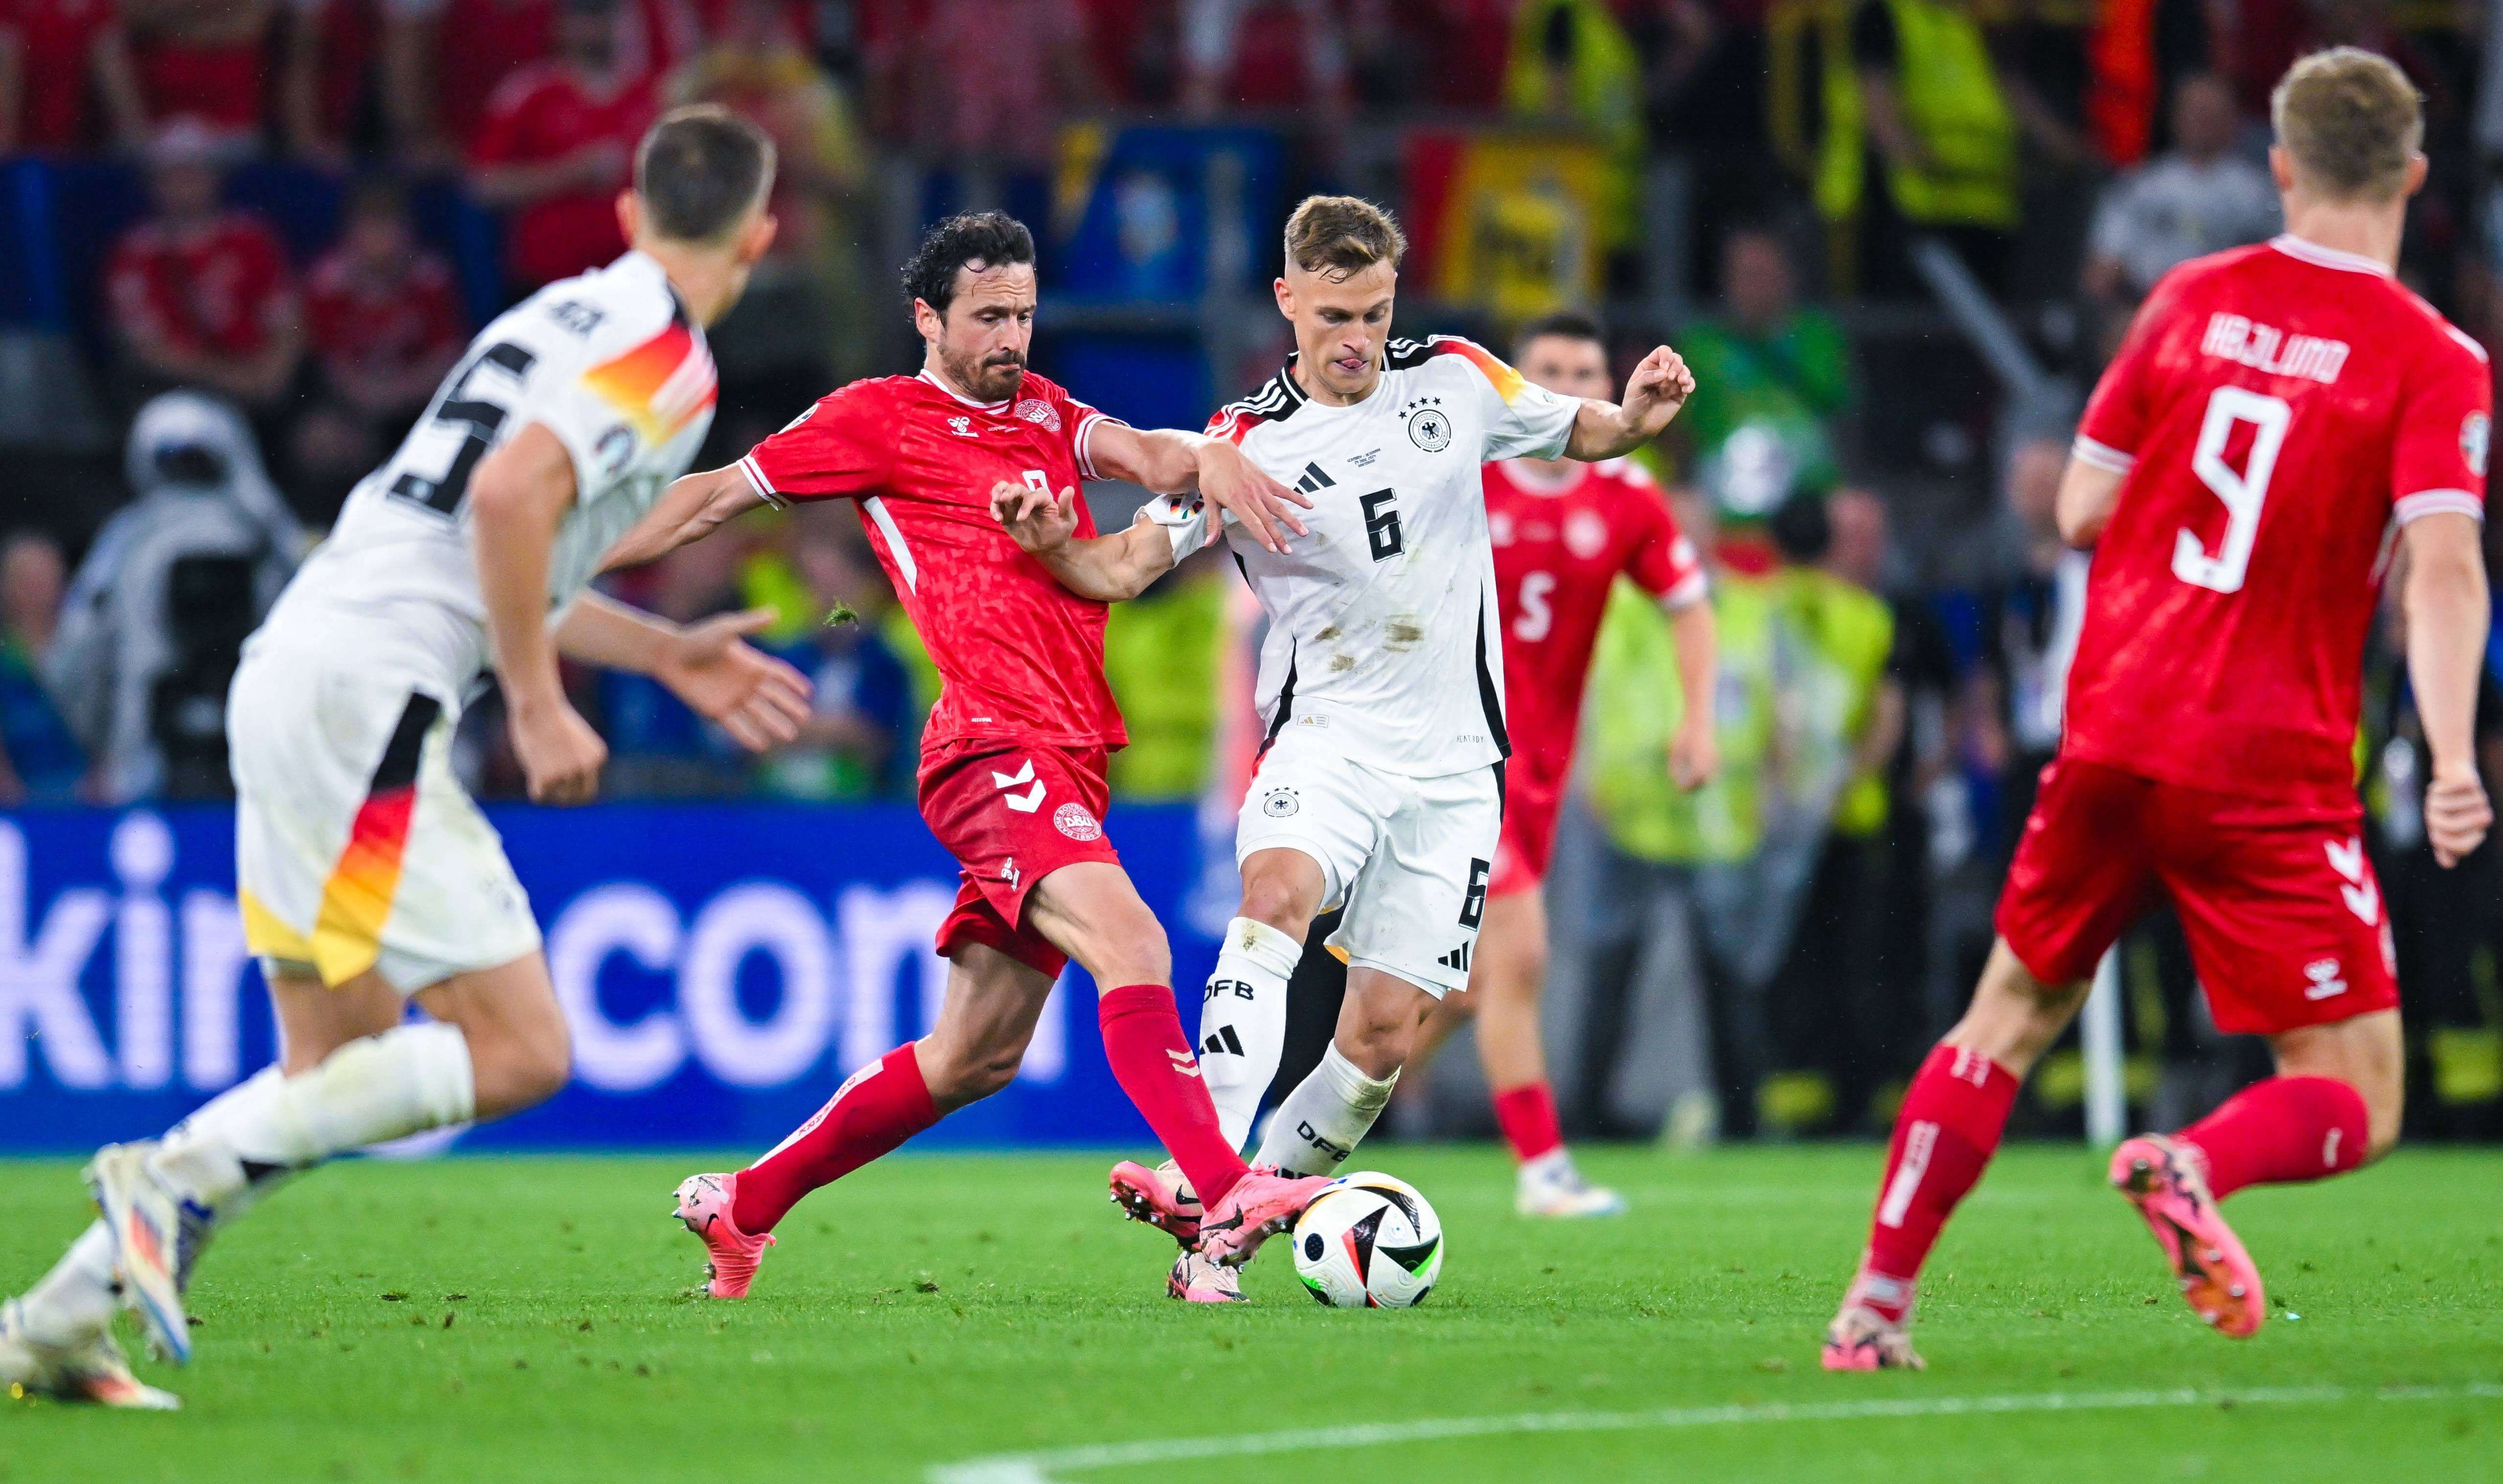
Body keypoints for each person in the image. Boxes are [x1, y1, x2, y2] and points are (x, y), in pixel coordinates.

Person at [0, 107, 806, 1410]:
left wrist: (659, 654)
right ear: (763, 234)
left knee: (337, 1055)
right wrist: (539, 703)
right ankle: (166, 1174)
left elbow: (498, 538)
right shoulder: (668, 360)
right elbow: (506, 505)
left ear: (625, 212)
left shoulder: (554, 316)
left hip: (298, 664)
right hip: (373, 703)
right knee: (524, 1050)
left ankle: (47, 1326)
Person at [1824, 48, 2495, 1370]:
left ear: (2280, 167)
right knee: (2359, 1086)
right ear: (2414, 176)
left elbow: (2076, 509)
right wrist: (2456, 756)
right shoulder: (2435, 358)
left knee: (2005, 1011)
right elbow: (2448, 565)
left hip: (2116, 723)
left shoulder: (2188, 299)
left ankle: (1872, 1310)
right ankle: (2190, 1164)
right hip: (2266, 762)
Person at [603, 209, 1334, 1304]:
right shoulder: (876, 419)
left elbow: (1144, 454)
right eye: (988, 315)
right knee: (1131, 941)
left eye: (1026, 313)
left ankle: (742, 1206)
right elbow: (711, 498)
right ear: (925, 318)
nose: (1011, 336)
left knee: (974, 1058)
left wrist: (1212, 455)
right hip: (987, 743)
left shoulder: (1045, 410)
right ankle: (1225, 1189)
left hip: (1071, 747)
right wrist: (544, 557)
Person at [995, 196, 1696, 1300]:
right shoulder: (1243, 443)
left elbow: (1587, 432)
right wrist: (1052, 547)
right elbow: (1121, 569)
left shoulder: (1460, 381)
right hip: (1326, 740)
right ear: (1286, 302)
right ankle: (1211, 1175)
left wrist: (1640, 412)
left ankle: (1231, 1217)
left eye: (1372, 312)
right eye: (1332, 315)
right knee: (1274, 896)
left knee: (1379, 1039)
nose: (1355, 338)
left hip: (1458, 767)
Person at [1415, 309, 1719, 1215]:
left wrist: (1695, 720)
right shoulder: (1467, 477)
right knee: (1520, 954)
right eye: (1544, 369)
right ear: (1516, 383)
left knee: (1461, 990)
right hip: (1452, 757)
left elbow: (1689, 605)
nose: (1564, 385)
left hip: (1540, 773)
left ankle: (1302, 1128)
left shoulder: (1624, 495)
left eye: (1583, 371)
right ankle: (1543, 1169)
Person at [44, 392, 303, 804]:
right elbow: (78, 653)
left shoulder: (270, 537)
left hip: (224, 752)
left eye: (194, 458)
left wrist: (96, 741)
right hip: (159, 752)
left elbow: (75, 657)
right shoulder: (129, 541)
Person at [104, 121, 304, 414]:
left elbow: (289, 320)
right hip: (181, 390)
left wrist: (272, 375)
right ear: (154, 183)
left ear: (215, 177)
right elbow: (145, 348)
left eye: (194, 171)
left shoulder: (251, 238)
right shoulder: (135, 255)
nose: (185, 184)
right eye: (173, 174)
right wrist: (232, 379)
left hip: (264, 385)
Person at [470, 0, 660, 292]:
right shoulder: (529, 94)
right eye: (584, 18)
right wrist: (571, 173)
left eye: (604, 16)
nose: (596, 29)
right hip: (548, 283)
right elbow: (485, 185)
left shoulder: (652, 96)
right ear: (560, 25)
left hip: (633, 280)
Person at [2085, 73, 2281, 317]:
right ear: (2175, 116)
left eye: (2211, 113)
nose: (2202, 122)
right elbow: (2102, 270)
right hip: (2146, 309)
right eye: (2194, 111)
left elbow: (2283, 271)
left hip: (2227, 315)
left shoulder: (2258, 192)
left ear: (2233, 120)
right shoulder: (2141, 185)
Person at [0, 531, 84, 805]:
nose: (37, 586)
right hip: (14, 798)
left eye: (45, 575)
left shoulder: (90, 650)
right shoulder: (5, 654)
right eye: (26, 577)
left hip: (85, 795)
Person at [0, 0, 148, 152]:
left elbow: (117, 81)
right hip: (26, 149)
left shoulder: (94, 8)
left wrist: (140, 143)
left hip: (80, 146)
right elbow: (7, 82)